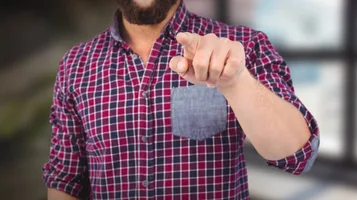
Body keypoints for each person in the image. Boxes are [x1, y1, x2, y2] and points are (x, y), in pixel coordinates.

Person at [43, 0, 320, 199]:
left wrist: (236, 81)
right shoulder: (75, 64)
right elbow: (67, 177)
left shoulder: (243, 46)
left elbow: (297, 155)